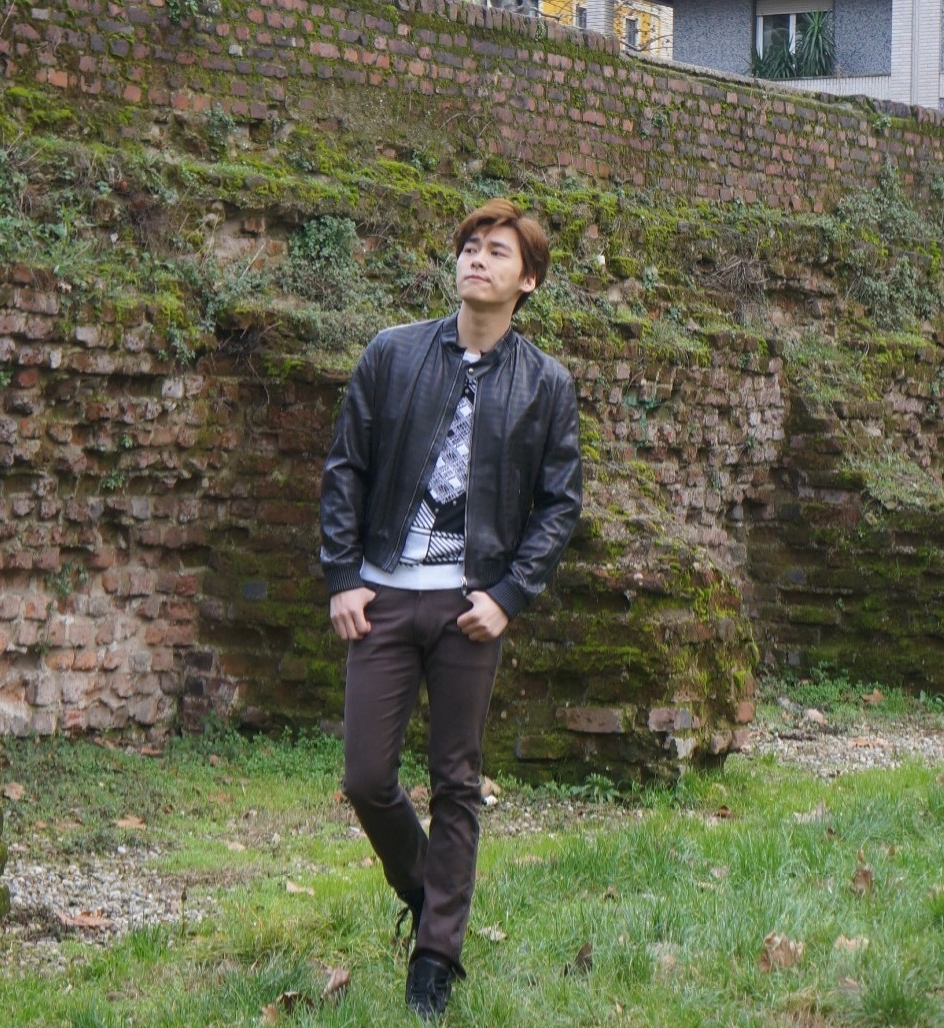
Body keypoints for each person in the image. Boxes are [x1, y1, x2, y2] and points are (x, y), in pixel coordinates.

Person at [318, 198, 583, 1019]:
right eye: (470, 246)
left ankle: (436, 959)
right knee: (367, 777)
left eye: (497, 251)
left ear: (527, 280)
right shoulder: (392, 354)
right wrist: (342, 576)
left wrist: (509, 596)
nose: (476, 258)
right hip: (384, 594)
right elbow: (346, 468)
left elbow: (559, 505)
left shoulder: (546, 384)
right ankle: (427, 889)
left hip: (471, 607)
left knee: (456, 780)